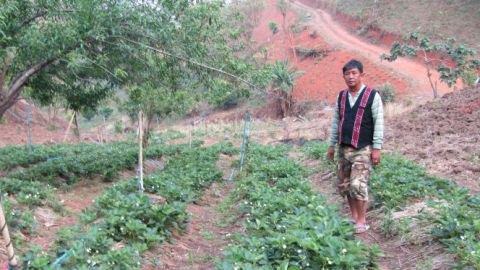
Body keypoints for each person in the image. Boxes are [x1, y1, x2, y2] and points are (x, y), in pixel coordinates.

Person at [327, 59, 383, 234]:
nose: (350, 77)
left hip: (363, 148)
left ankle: (362, 220)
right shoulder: (341, 97)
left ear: (361, 75)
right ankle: (353, 216)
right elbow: (336, 121)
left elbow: (379, 122)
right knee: (345, 184)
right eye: (347, 74)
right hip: (343, 148)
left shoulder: (372, 96)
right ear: (343, 76)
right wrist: (331, 145)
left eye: (354, 73)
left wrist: (377, 148)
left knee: (358, 184)